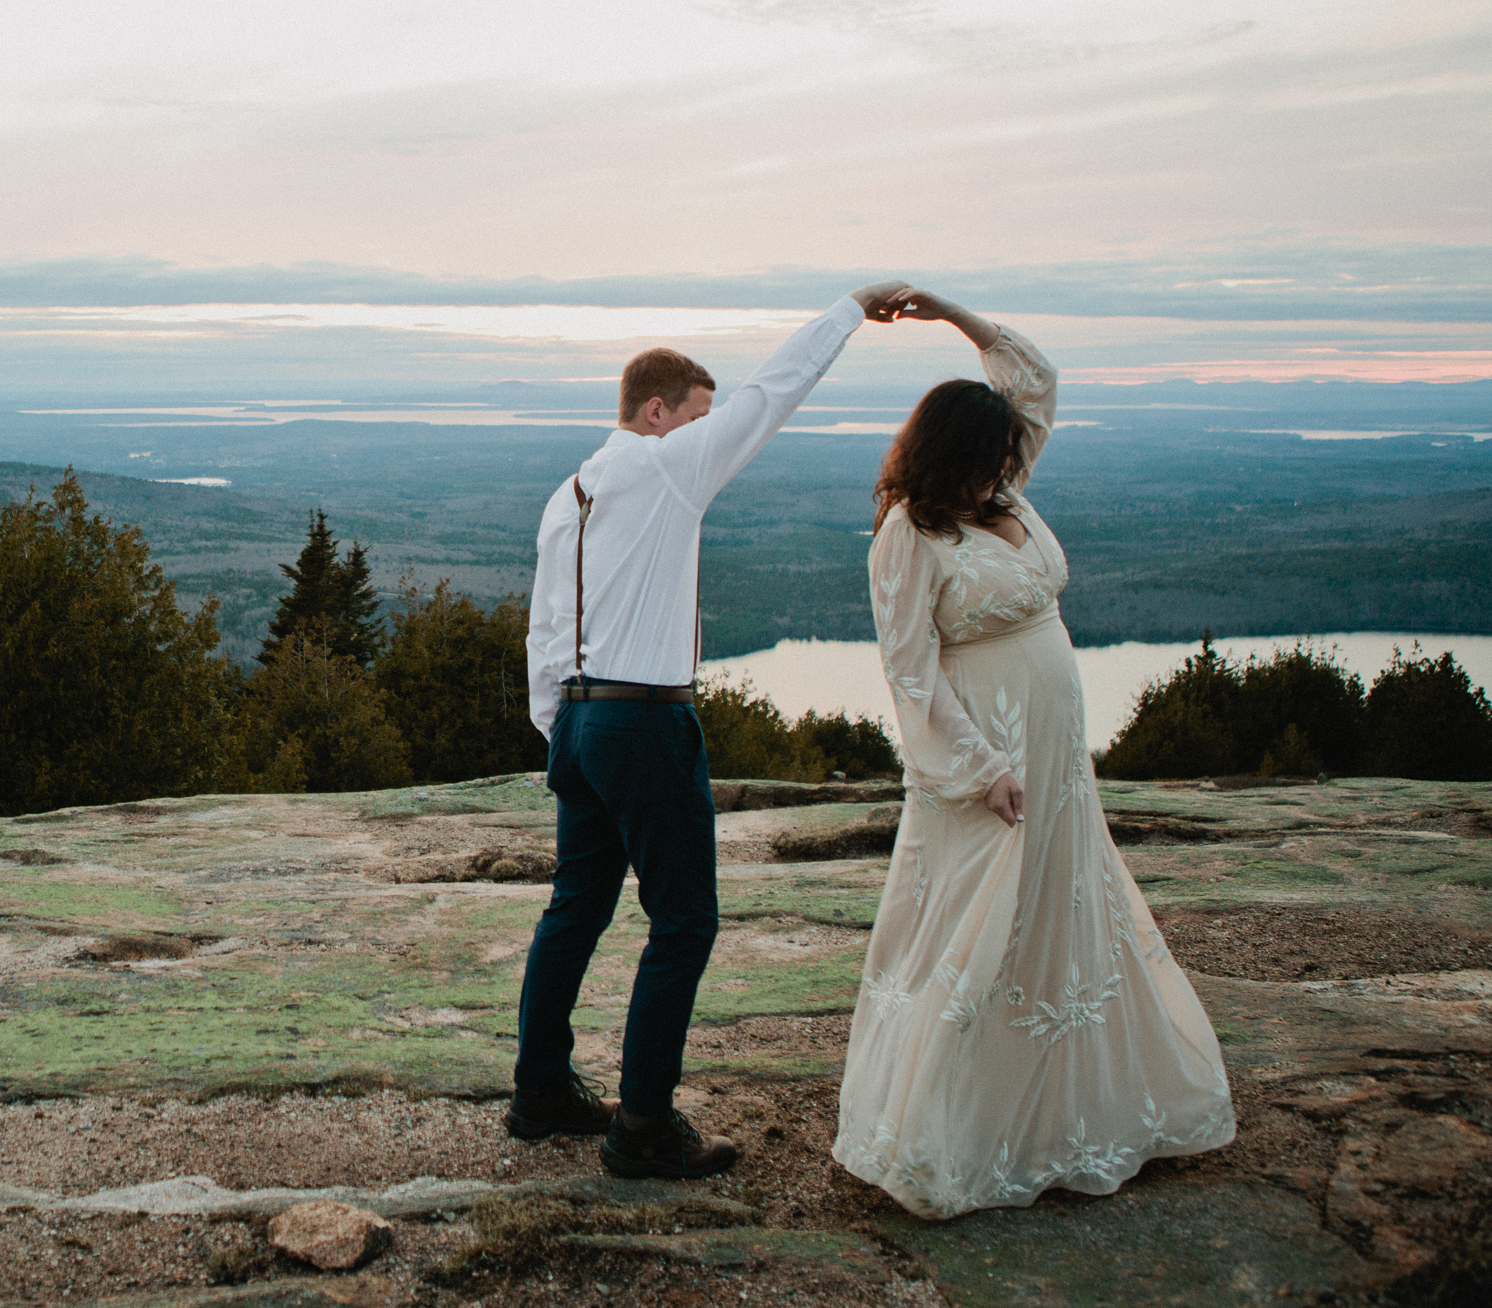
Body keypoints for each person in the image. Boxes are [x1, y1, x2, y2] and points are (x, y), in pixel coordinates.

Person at [831, 288, 1232, 1218]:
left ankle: (1068, 1119)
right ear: (946, 461)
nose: (1002, 474)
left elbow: (1035, 380)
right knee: (977, 934)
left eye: (1007, 459)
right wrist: (980, 770)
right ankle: (954, 1134)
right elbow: (911, 676)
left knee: (1060, 915)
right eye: (985, 463)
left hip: (1055, 760)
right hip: (984, 768)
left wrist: (943, 310)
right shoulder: (910, 534)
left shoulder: (1006, 489)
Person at [508, 279, 910, 1179]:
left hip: (576, 718)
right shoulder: (668, 463)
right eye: (699, 415)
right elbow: (775, 391)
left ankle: (539, 1090)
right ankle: (643, 1124)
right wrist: (847, 310)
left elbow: (542, 627)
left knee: (574, 908)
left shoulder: (567, 492)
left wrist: (560, 734)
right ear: (659, 412)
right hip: (644, 723)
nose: (711, 430)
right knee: (684, 922)